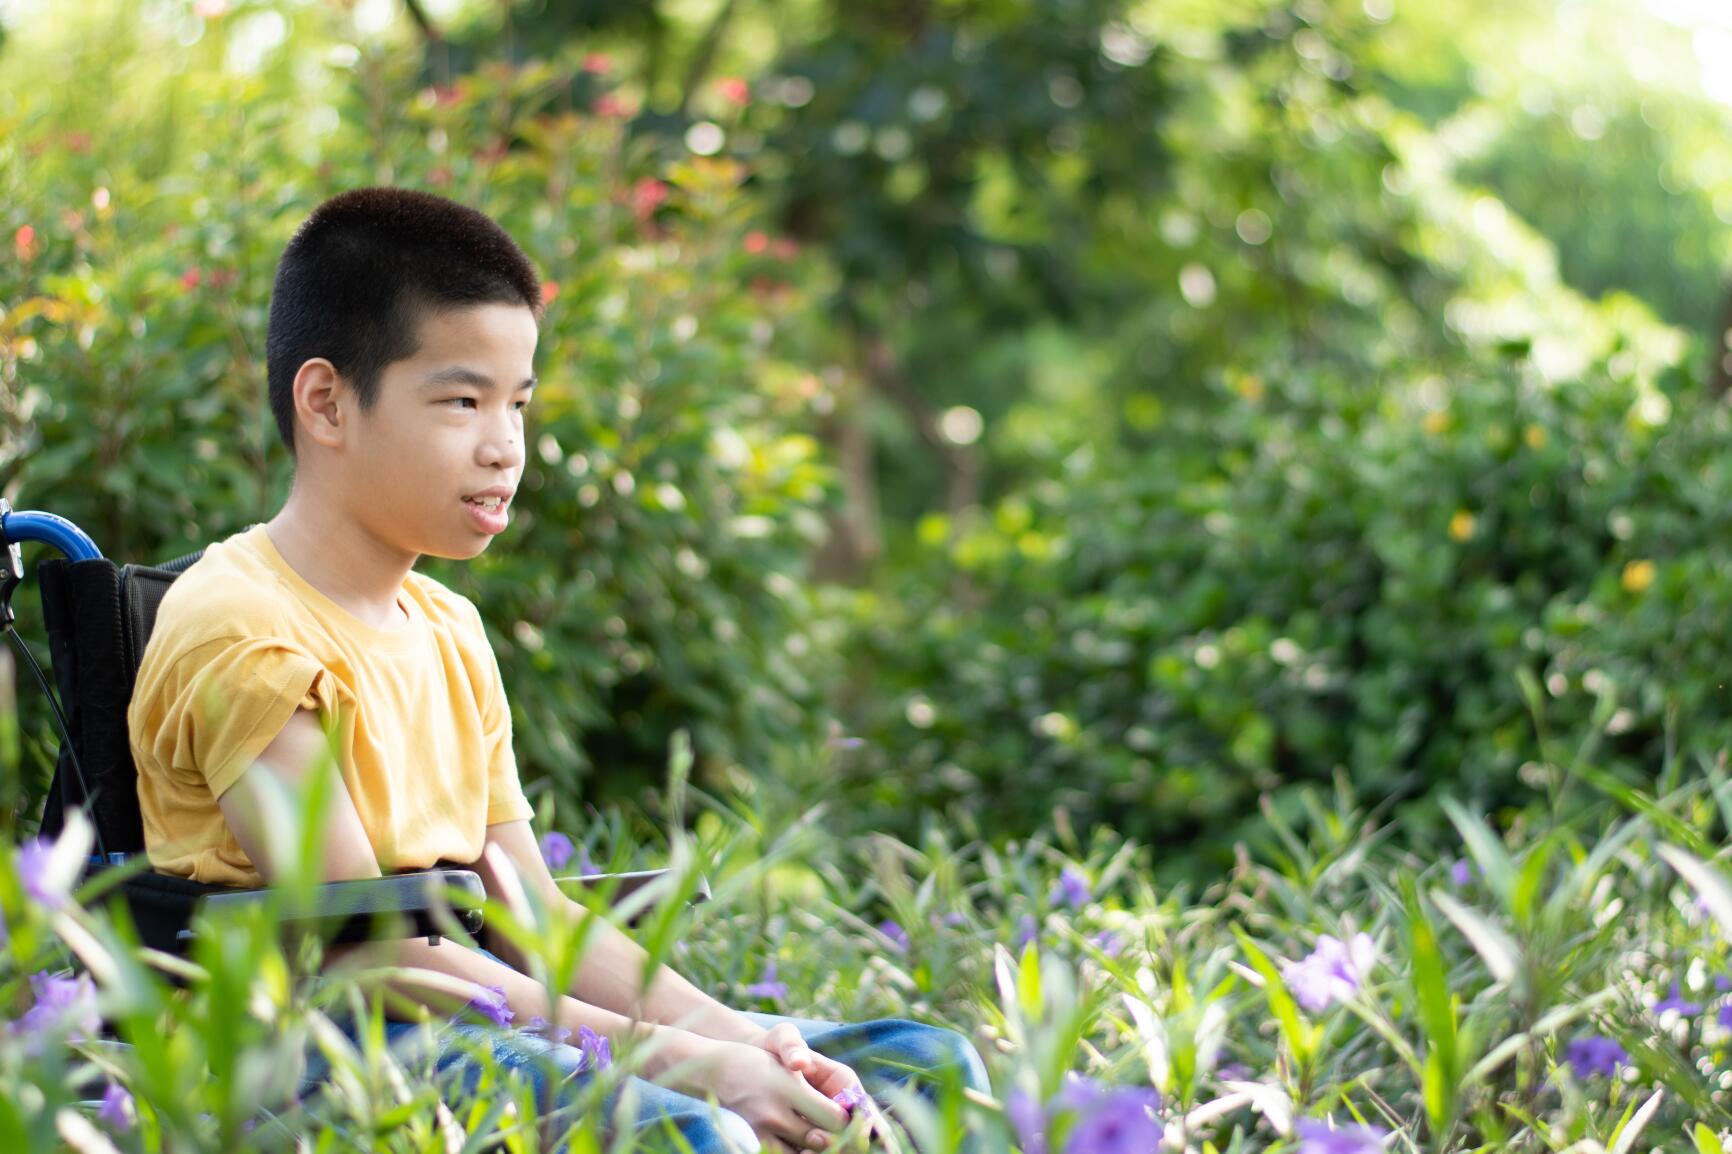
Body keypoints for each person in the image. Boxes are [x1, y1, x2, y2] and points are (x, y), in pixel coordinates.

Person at [126, 187, 988, 1153]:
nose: (505, 448)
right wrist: (688, 1065)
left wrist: (750, 1039)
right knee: (700, 1133)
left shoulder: (445, 627)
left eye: (518, 406)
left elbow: (532, 912)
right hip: (318, 1049)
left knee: (926, 1067)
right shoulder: (241, 632)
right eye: (461, 401)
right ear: (326, 402)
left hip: (470, 1022)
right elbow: (368, 958)